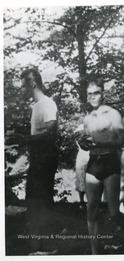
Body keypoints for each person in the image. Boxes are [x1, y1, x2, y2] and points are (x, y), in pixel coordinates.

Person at [75, 78, 124, 254]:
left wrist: (101, 143)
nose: (92, 97)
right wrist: (84, 143)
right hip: (93, 164)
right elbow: (87, 142)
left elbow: (123, 140)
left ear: (103, 94)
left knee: (113, 212)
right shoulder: (87, 119)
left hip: (110, 163)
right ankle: (95, 252)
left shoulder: (113, 114)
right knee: (91, 209)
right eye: (89, 94)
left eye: (96, 93)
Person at [5, 68, 59, 254]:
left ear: (33, 84)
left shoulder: (47, 104)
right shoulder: (35, 106)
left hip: (46, 158)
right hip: (37, 158)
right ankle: (40, 246)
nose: (22, 89)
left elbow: (51, 132)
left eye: (24, 85)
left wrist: (25, 139)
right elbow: (36, 136)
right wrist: (21, 141)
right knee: (34, 201)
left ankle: (48, 247)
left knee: (41, 201)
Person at [74, 124, 89, 209]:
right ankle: (81, 201)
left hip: (92, 154)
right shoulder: (80, 127)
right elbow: (79, 141)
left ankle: (90, 201)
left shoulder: (95, 127)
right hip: (83, 154)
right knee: (81, 177)